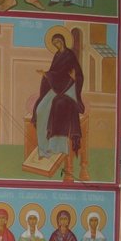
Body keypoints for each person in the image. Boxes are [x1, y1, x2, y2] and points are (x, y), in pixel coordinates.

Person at [32, 32, 84, 172]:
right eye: (54, 43)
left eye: (58, 41)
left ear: (63, 40)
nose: (56, 44)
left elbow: (73, 74)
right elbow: (55, 72)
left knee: (57, 106)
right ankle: (44, 150)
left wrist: (47, 74)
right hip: (57, 87)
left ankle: (57, 147)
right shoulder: (57, 55)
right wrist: (47, 75)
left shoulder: (69, 55)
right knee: (40, 110)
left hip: (68, 88)